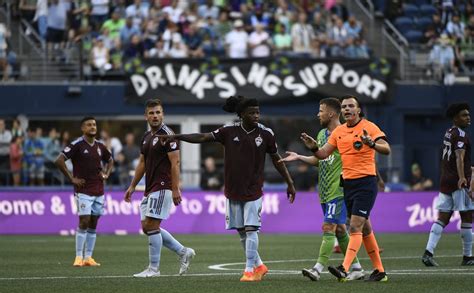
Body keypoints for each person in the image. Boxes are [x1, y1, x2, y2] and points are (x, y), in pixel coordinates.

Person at [159, 96, 296, 282]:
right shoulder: (228, 131)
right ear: (241, 115)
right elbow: (203, 137)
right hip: (233, 189)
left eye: (257, 112)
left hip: (254, 189)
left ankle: (249, 270)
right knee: (241, 230)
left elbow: (276, 160)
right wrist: (177, 137)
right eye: (252, 113)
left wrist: (290, 183)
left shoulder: (266, 134)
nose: (256, 116)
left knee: (251, 229)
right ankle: (260, 265)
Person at [300, 95, 391, 282]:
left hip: (366, 182)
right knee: (365, 228)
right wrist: (313, 148)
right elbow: (323, 154)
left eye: (351, 106)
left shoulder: (369, 127)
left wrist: (372, 144)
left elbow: (386, 148)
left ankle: (345, 268)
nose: (347, 109)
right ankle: (379, 271)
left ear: (358, 110)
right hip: (348, 184)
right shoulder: (339, 132)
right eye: (344, 107)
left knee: (355, 225)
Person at [279, 98, 365, 281]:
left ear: (331, 113)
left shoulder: (345, 133)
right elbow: (319, 160)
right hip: (324, 190)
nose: (318, 114)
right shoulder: (321, 134)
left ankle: (317, 269)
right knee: (340, 230)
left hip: (339, 189)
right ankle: (357, 268)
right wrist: (299, 156)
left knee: (328, 227)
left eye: (321, 110)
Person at [124, 99, 195, 278]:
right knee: (147, 227)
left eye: (158, 112)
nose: (155, 116)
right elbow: (142, 163)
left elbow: (175, 162)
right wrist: (133, 186)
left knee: (152, 225)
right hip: (149, 187)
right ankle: (183, 252)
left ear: (162, 114)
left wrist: (175, 188)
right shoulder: (147, 137)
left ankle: (154, 269)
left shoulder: (167, 135)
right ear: (146, 116)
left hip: (163, 186)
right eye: (151, 113)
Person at [55, 116, 114, 267]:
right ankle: (78, 257)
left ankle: (88, 257)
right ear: (83, 128)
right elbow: (59, 160)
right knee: (84, 221)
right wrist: (71, 178)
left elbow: (111, 159)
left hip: (99, 190)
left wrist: (106, 173)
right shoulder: (77, 145)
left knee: (93, 223)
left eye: (94, 124)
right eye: (89, 125)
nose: (93, 127)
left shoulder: (100, 146)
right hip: (83, 191)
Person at [422, 103, 474, 267]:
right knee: (467, 216)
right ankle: (468, 257)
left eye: (468, 114)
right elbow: (459, 156)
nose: (468, 117)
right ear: (456, 118)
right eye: (464, 115)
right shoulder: (460, 134)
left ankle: (428, 253)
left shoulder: (449, 132)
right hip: (458, 181)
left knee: (443, 218)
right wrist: (462, 177)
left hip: (445, 180)